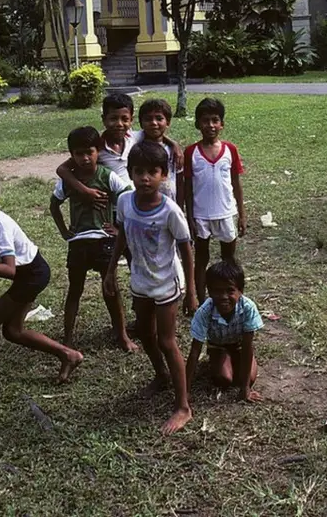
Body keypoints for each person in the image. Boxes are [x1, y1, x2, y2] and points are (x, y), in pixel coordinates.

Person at [0, 166, 82, 384]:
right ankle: (68, 355)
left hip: (32, 273)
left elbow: (9, 270)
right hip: (27, 274)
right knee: (13, 331)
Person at [103, 141, 198, 435]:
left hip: (165, 284)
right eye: (139, 171)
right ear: (130, 174)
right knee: (145, 333)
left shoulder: (170, 211)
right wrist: (110, 272)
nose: (145, 178)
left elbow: (186, 248)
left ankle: (183, 406)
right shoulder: (124, 203)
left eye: (152, 172)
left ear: (163, 175)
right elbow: (120, 237)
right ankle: (161, 376)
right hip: (140, 280)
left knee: (167, 341)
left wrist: (192, 290)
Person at [50, 126, 136, 352]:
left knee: (111, 289)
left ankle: (123, 335)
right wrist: (63, 231)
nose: (85, 158)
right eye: (79, 154)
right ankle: (67, 339)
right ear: (72, 155)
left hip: (104, 241)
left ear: (98, 151)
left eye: (90, 152)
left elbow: (128, 195)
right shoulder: (68, 181)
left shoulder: (107, 176)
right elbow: (54, 204)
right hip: (78, 242)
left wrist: (118, 227)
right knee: (74, 290)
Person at [184, 97, 246, 303]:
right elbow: (188, 188)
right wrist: (190, 216)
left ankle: (231, 298)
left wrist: (242, 215)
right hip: (201, 215)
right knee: (201, 259)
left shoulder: (230, 150)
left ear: (222, 124)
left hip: (226, 212)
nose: (210, 125)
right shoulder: (191, 152)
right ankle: (202, 302)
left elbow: (236, 183)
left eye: (215, 120)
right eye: (205, 120)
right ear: (197, 124)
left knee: (229, 259)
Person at [185, 259, 263, 402]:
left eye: (230, 290)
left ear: (241, 291)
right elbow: (195, 350)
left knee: (248, 379)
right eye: (217, 291)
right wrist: (186, 391)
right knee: (224, 379)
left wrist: (245, 389)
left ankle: (238, 360)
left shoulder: (248, 307)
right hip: (218, 346)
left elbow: (247, 345)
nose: (224, 297)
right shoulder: (205, 311)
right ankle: (220, 358)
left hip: (240, 346)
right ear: (209, 291)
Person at [134, 98, 184, 209]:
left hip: (170, 206)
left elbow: (180, 182)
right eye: (148, 119)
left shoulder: (174, 151)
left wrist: (180, 208)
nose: (154, 123)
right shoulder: (136, 147)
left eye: (159, 118)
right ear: (141, 123)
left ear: (168, 122)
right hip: (144, 206)